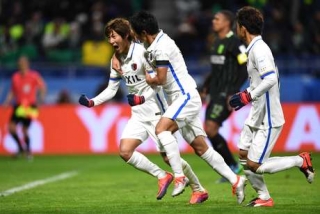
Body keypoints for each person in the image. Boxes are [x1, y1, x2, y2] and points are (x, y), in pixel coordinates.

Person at [79, 18, 208, 204]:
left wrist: (141, 98)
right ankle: (162, 176)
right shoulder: (116, 60)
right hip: (138, 115)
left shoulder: (142, 53)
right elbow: (112, 89)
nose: (110, 41)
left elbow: (156, 84)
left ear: (125, 36)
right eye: (108, 37)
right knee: (125, 151)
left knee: (167, 157)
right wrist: (93, 102)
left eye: (113, 36)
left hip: (156, 111)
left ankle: (198, 189)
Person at [125, 10, 247, 204]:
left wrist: (149, 79)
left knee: (161, 129)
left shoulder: (161, 48)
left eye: (135, 32)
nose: (134, 36)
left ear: (144, 32)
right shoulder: (156, 44)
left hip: (186, 97)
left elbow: (161, 79)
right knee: (201, 148)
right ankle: (236, 179)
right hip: (181, 99)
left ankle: (179, 177)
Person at [230, 6, 315, 207]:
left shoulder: (260, 49)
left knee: (255, 164)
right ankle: (263, 197)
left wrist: (247, 96)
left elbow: (269, 80)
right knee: (243, 153)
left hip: (268, 117)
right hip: (257, 113)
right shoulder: (253, 49)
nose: (236, 29)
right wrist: (248, 97)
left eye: (237, 26)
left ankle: (300, 161)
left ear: (243, 28)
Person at [201, 10, 248, 183]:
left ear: (227, 22)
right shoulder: (215, 42)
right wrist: (205, 87)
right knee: (209, 130)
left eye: (217, 18)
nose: (214, 21)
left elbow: (245, 66)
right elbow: (216, 70)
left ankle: (232, 167)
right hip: (214, 93)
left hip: (226, 94)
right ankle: (231, 167)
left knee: (210, 129)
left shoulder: (235, 43)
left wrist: (234, 91)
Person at [3, 56, 46, 159]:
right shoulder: (15, 77)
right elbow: (12, 91)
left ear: (27, 64)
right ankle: (20, 148)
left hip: (30, 105)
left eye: (22, 63)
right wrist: (7, 101)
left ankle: (28, 152)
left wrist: (40, 100)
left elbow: (42, 87)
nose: (21, 65)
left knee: (24, 129)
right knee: (11, 128)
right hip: (19, 106)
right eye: (19, 63)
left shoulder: (34, 76)